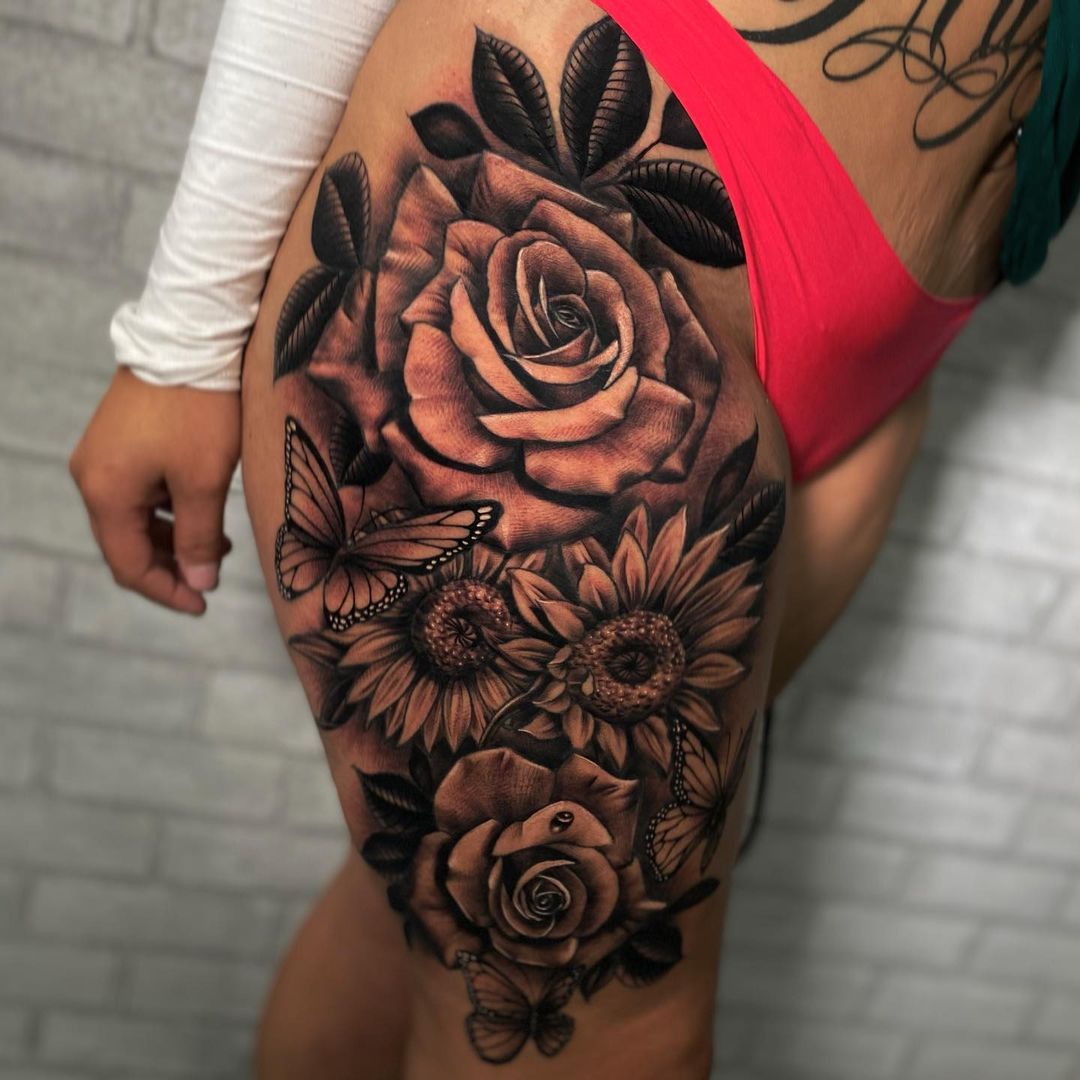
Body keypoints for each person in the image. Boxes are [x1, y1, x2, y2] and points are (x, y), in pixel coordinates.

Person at [69, 0, 1076, 1076]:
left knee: (433, 920)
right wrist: (181, 337)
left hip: (907, 319)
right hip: (582, 156)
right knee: (607, 1032)